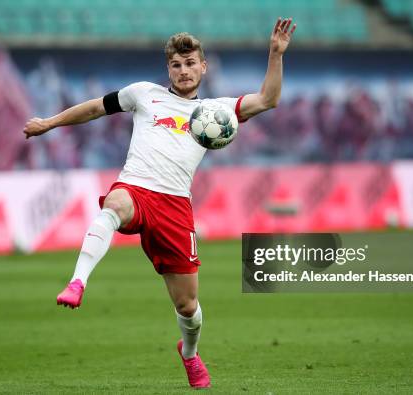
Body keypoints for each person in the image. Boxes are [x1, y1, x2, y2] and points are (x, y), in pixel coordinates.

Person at [23, 17, 297, 389]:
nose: (183, 71)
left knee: (188, 307)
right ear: (167, 68)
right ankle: (77, 282)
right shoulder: (144, 94)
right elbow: (93, 108)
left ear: (203, 66)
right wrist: (50, 123)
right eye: (176, 64)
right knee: (113, 206)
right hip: (135, 187)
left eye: (190, 63)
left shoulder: (217, 112)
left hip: (175, 208)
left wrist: (276, 55)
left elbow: (268, 99)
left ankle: (189, 353)